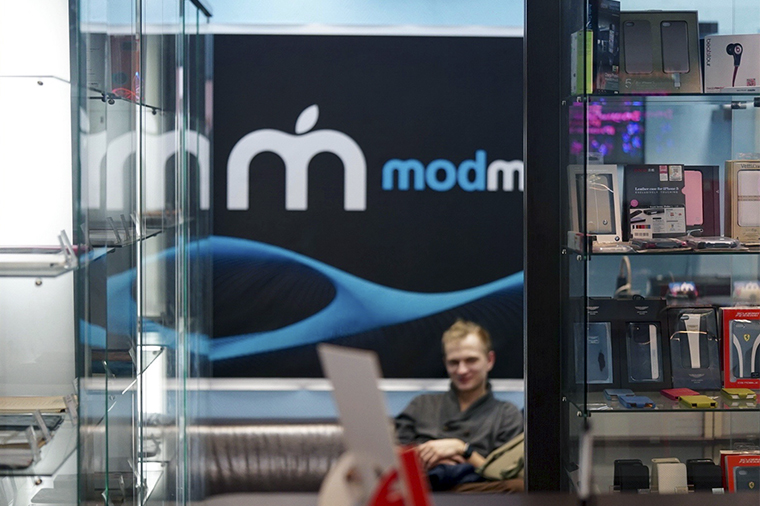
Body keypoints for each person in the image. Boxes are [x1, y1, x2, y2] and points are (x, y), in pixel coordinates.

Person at [394, 319, 524, 478]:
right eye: (454, 362)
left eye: (471, 360)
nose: (462, 370)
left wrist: (463, 449)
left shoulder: (506, 415)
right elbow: (392, 457)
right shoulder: (421, 405)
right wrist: (430, 457)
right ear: (445, 363)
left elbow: (507, 476)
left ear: (489, 360)